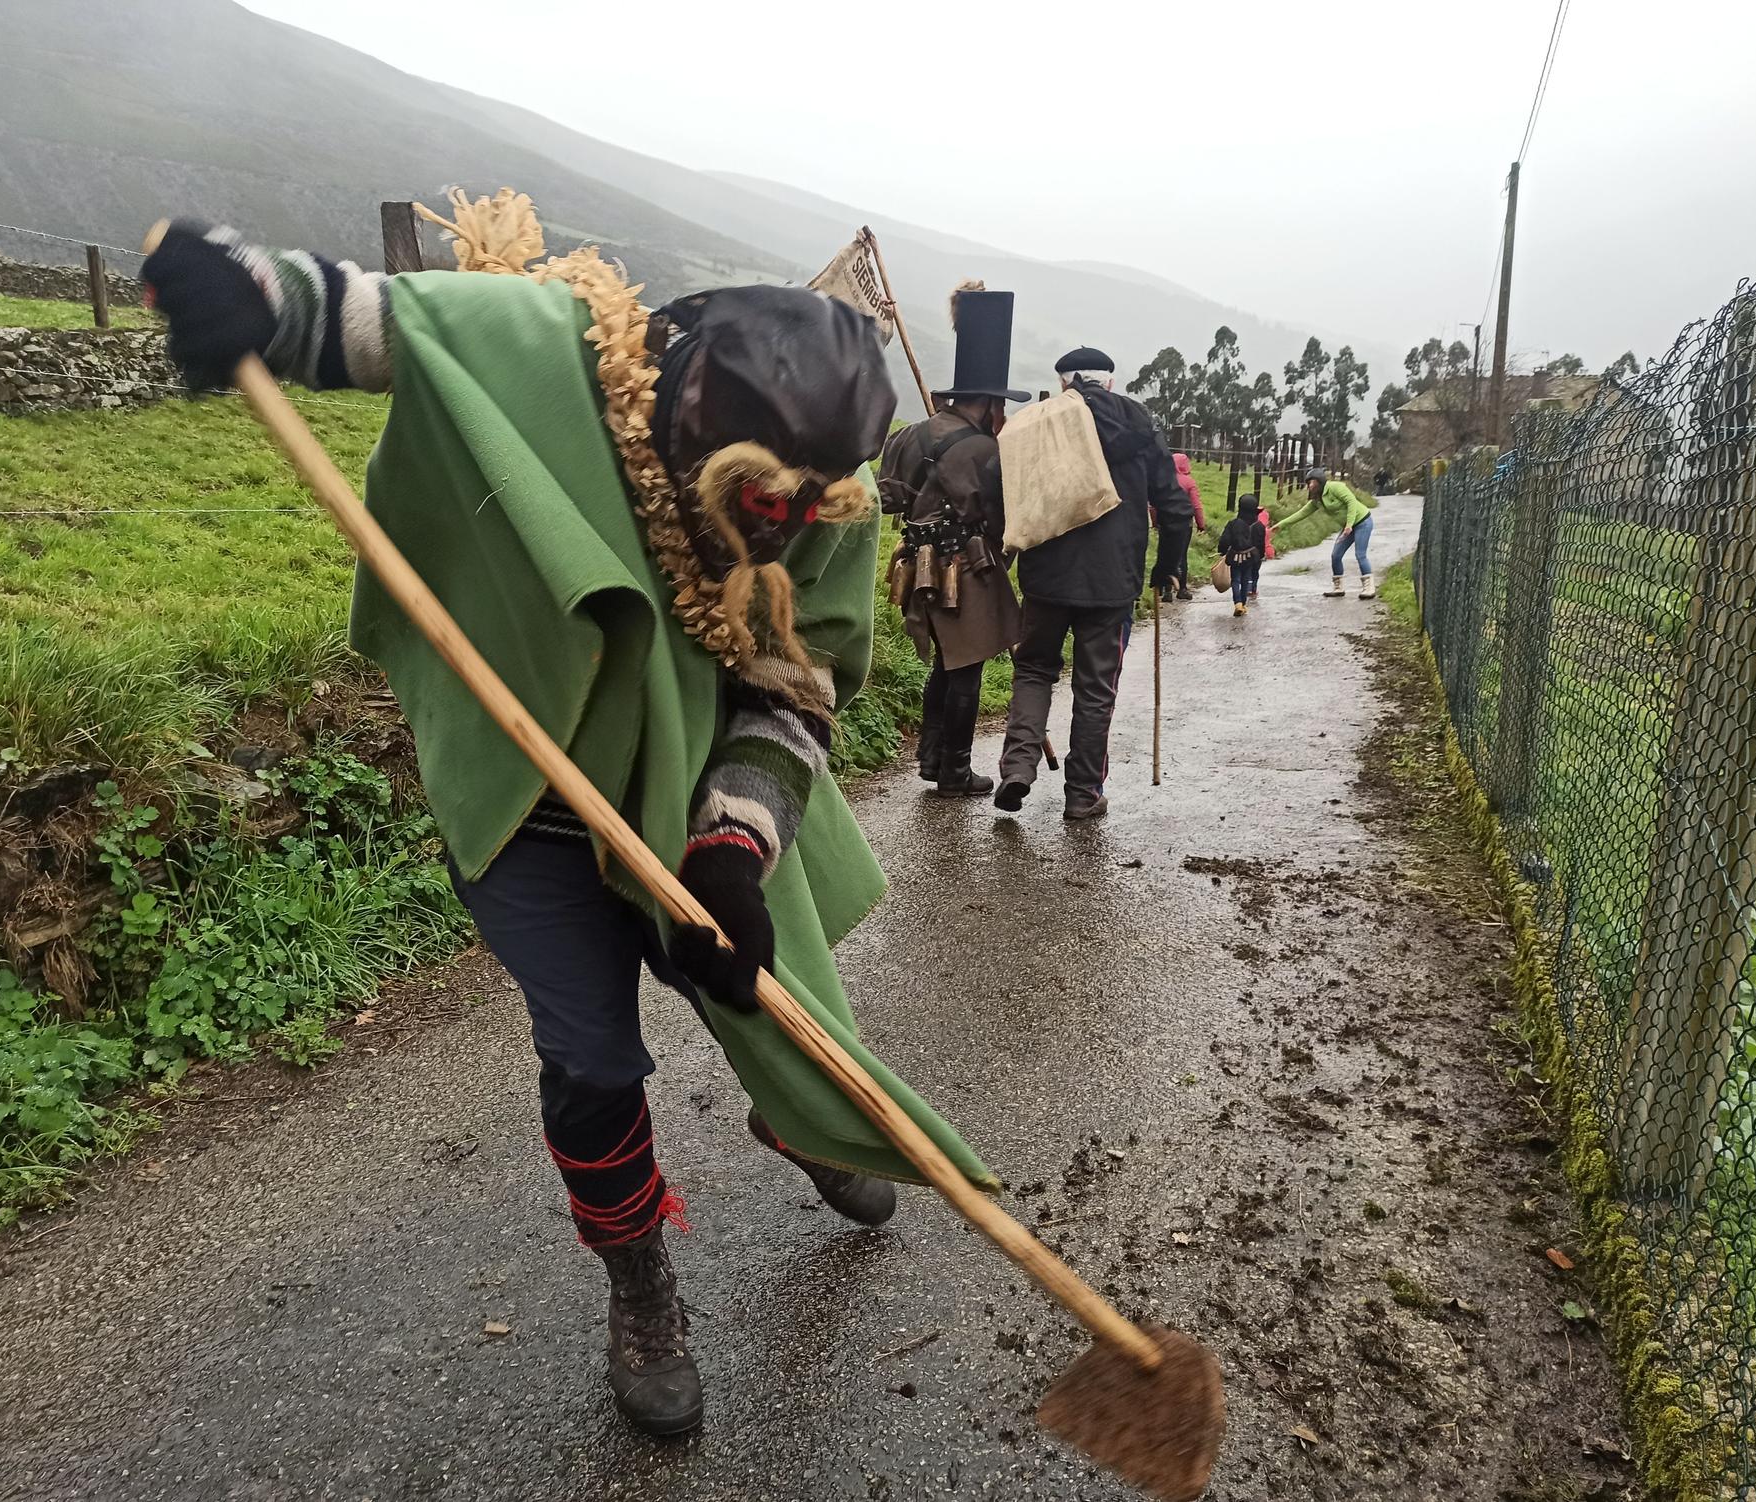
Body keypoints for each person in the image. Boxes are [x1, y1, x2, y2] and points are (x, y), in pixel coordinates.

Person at [138, 194, 993, 1439]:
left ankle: (802, 1116)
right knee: (590, 1063)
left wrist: (733, 848)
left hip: (684, 783)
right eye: (750, 491)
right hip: (525, 790)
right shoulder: (559, 353)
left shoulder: (828, 503)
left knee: (773, 997)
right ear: (678, 398)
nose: (777, 521)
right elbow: (357, 319)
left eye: (801, 501)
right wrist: (239, 292)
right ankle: (639, 1279)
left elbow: (796, 693)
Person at [994, 346, 1195, 820]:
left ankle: (1017, 767)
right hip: (1112, 583)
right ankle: (1083, 793)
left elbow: (1005, 488)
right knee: (1095, 687)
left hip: (1045, 577)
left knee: (1034, 670)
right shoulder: (1141, 424)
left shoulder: (1039, 422)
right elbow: (1176, 507)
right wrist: (1167, 567)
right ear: (1109, 382)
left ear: (1064, 383)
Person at [879, 288, 1026, 796]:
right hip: (964, 567)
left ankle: (932, 758)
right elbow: (1004, 519)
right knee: (965, 667)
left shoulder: (913, 434)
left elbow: (890, 499)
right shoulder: (987, 449)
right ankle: (955, 771)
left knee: (947, 662)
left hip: (917, 564)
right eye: (998, 405)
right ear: (987, 403)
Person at [1279, 466, 1377, 598]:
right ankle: (1338, 587)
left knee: (1360, 554)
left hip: (1362, 521)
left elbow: (1351, 502)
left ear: (1319, 482)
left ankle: (1369, 587)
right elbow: (1301, 514)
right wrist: (1279, 525)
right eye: (1308, 483)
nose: (1309, 486)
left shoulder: (1335, 487)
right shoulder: (1316, 500)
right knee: (1336, 556)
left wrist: (1349, 525)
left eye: (1311, 482)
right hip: (1347, 527)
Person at [1162, 451, 1210, 601]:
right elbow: (1196, 506)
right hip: (1184, 524)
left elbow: (1153, 506)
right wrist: (1201, 524)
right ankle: (1182, 588)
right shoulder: (1189, 482)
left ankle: (1167, 591)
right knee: (1181, 555)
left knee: (1166, 554)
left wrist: (1156, 521)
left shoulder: (1164, 480)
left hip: (1166, 523)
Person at [1219, 494, 1267, 617]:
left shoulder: (1233, 523)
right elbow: (1261, 544)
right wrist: (1260, 556)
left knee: (1235, 580)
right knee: (1246, 580)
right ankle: (1244, 604)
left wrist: (1222, 551)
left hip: (1235, 557)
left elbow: (1224, 540)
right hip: (1250, 558)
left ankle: (1238, 603)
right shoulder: (1259, 526)